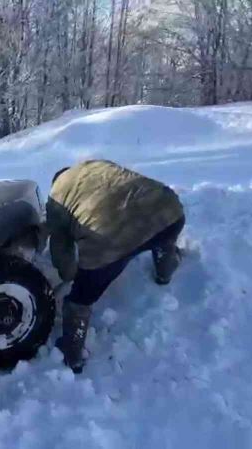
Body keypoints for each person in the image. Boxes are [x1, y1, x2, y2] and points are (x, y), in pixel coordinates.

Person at [47, 160, 185, 373]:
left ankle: (73, 353)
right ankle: (165, 270)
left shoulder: (56, 197)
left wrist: (72, 275)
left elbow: (60, 247)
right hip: (169, 209)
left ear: (56, 181)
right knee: (161, 232)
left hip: (108, 241)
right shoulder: (95, 164)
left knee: (79, 301)